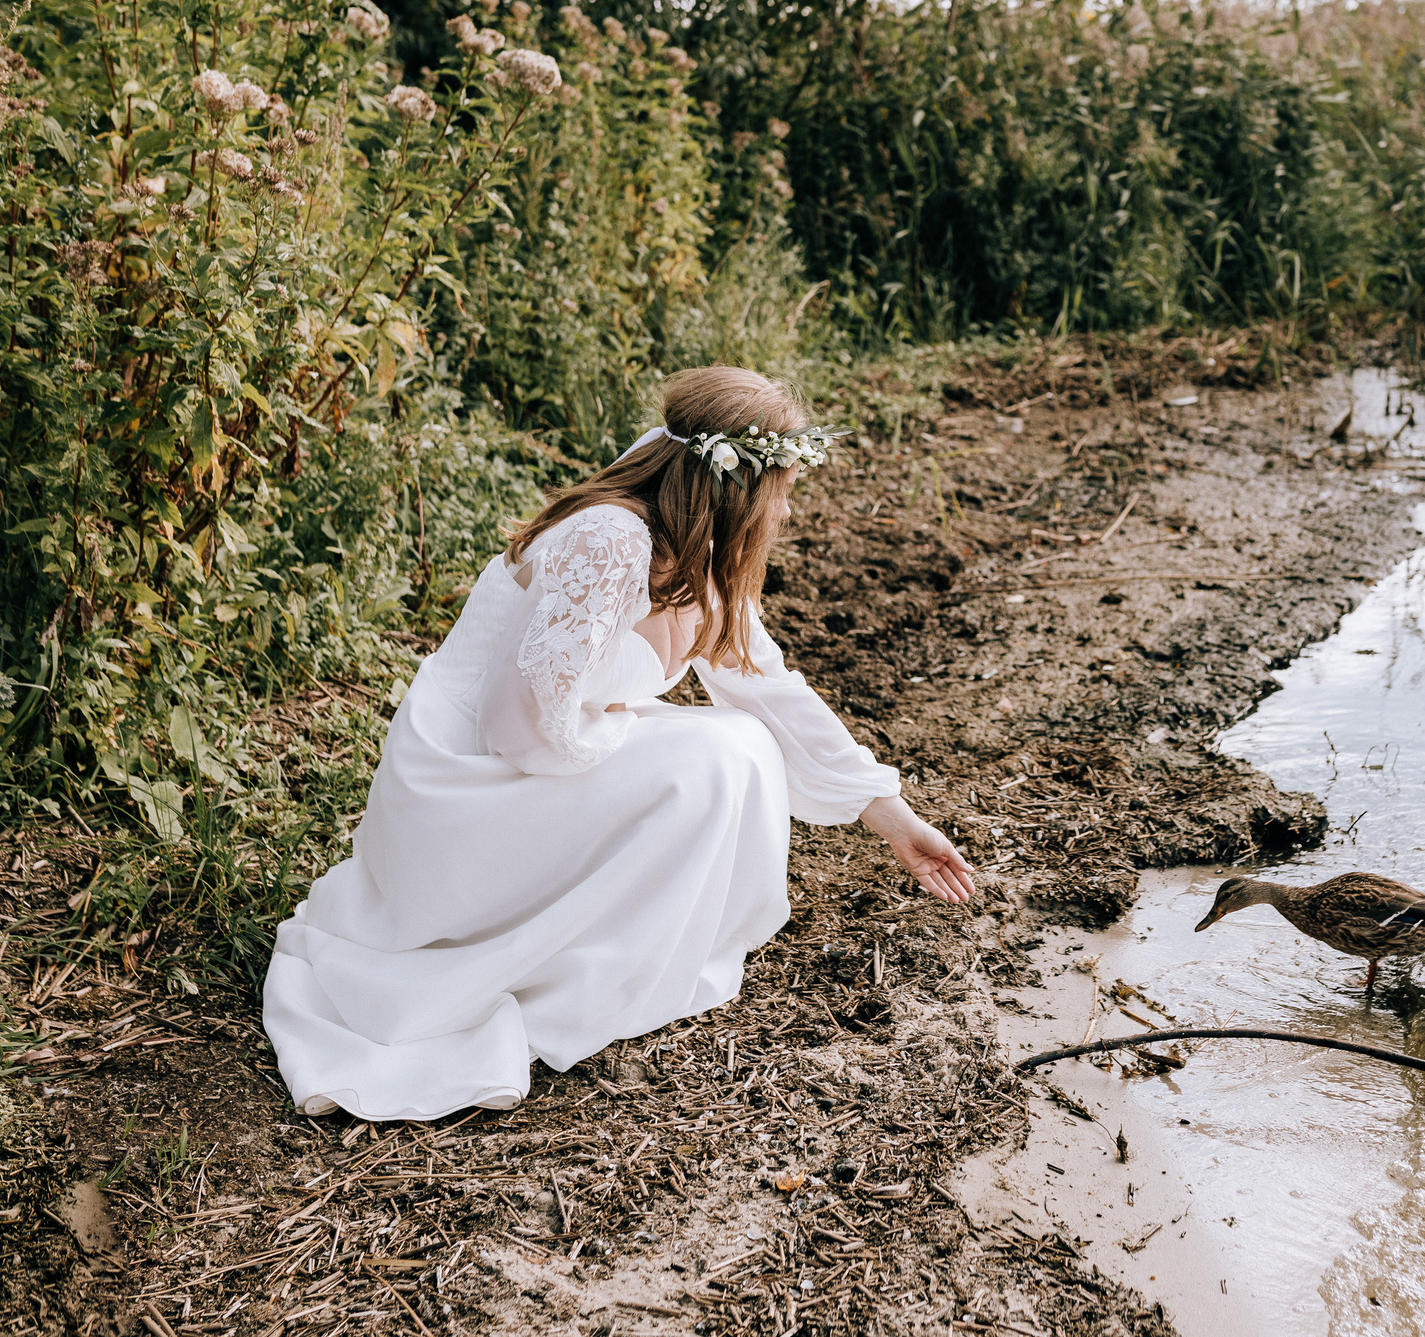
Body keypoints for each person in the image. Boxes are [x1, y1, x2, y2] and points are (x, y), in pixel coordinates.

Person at [263, 366, 975, 1120]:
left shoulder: (695, 552)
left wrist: (894, 818)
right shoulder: (611, 538)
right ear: (736, 486)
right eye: (784, 491)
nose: (788, 511)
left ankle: (625, 952)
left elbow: (768, 687)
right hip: (463, 785)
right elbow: (518, 724)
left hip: (530, 752)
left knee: (742, 744)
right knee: (711, 763)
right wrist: (637, 728)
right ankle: (579, 969)